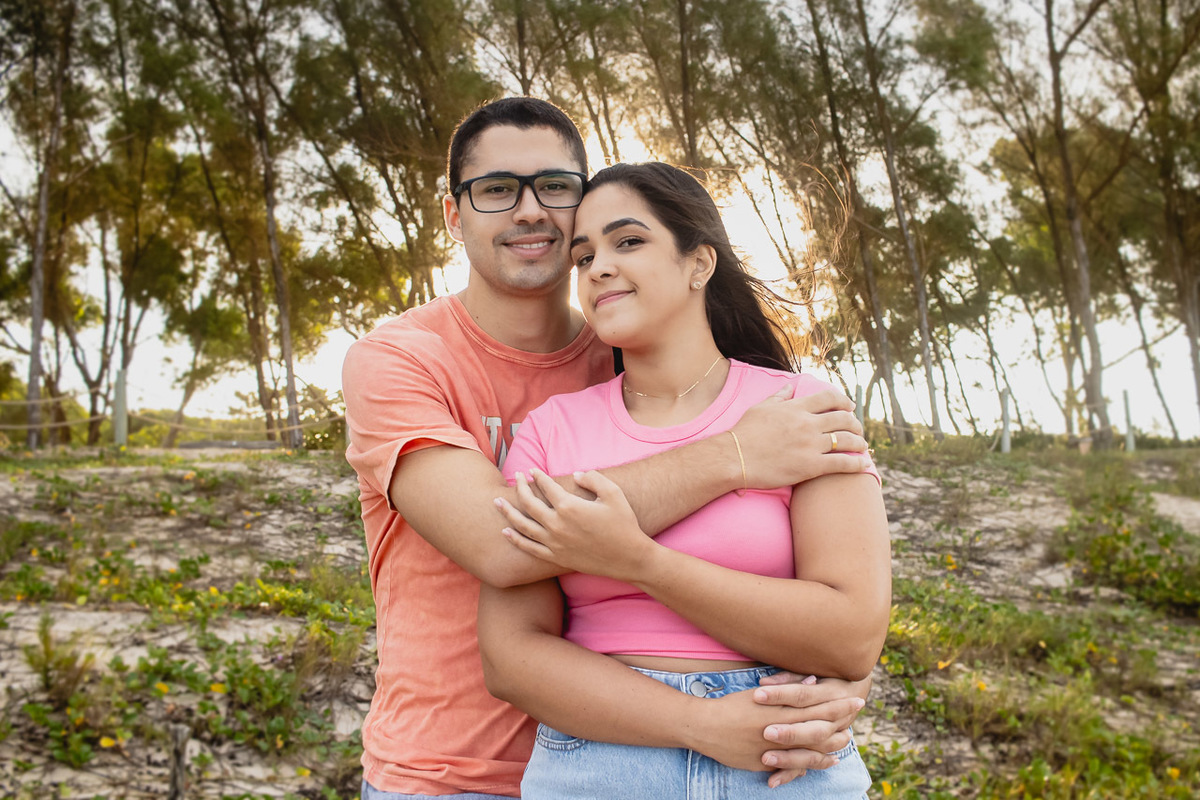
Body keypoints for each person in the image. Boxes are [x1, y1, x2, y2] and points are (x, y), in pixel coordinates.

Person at [342, 98, 875, 799]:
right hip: (451, 769)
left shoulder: (632, 347)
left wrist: (841, 677)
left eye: (555, 187)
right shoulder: (399, 360)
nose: (530, 210)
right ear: (454, 214)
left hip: (700, 748)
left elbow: (846, 615)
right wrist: (734, 456)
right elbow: (505, 545)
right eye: (497, 189)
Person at [476, 162, 891, 799]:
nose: (599, 268)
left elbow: (851, 637)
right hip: (600, 759)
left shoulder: (800, 409)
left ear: (699, 264)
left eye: (628, 241)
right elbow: (511, 657)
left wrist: (640, 563)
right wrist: (698, 724)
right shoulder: (551, 431)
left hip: (782, 757)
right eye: (583, 257)